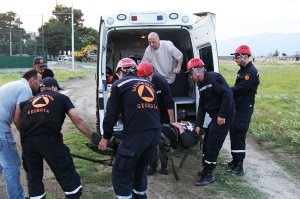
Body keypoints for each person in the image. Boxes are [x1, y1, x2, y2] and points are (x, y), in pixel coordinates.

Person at [17, 77, 92, 199]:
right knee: (64, 169)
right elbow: (78, 120)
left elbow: (17, 119)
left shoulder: (27, 102)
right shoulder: (62, 98)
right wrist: (92, 138)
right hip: (49, 139)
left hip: (27, 141)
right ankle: (73, 195)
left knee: (33, 176)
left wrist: (28, 135)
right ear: (53, 88)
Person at [98, 58, 161, 198]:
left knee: (121, 170)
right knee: (140, 168)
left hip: (137, 132)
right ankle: (140, 195)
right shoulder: (149, 84)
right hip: (155, 131)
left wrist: (105, 137)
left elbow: (111, 115)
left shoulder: (118, 85)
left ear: (120, 72)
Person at [185, 58, 235, 186]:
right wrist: (198, 124)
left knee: (213, 143)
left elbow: (227, 94)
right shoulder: (200, 84)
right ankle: (206, 168)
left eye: (191, 73)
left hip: (224, 116)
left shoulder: (214, 78)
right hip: (215, 116)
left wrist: (222, 115)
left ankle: (210, 174)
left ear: (198, 70)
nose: (191, 76)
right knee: (207, 140)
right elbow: (201, 105)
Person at [0, 69, 42, 199]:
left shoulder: (14, 85)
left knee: (1, 162)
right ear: (32, 80)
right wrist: (25, 136)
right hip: (1, 129)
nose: (40, 85)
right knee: (12, 165)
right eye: (39, 81)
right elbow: (17, 118)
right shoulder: (25, 89)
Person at [226, 45, 260, 176]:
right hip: (238, 106)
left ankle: (239, 166)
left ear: (245, 56)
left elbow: (240, 89)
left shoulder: (250, 72)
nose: (235, 60)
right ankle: (234, 161)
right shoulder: (243, 70)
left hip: (245, 108)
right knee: (233, 132)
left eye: (237, 57)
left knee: (239, 133)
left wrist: (226, 90)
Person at [136, 61, 175, 175]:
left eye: (144, 78)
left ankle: (164, 165)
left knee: (163, 141)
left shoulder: (161, 82)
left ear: (150, 75)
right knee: (150, 142)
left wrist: (171, 123)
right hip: (149, 115)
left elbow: (169, 103)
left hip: (163, 113)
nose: (142, 80)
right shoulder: (139, 84)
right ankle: (152, 165)